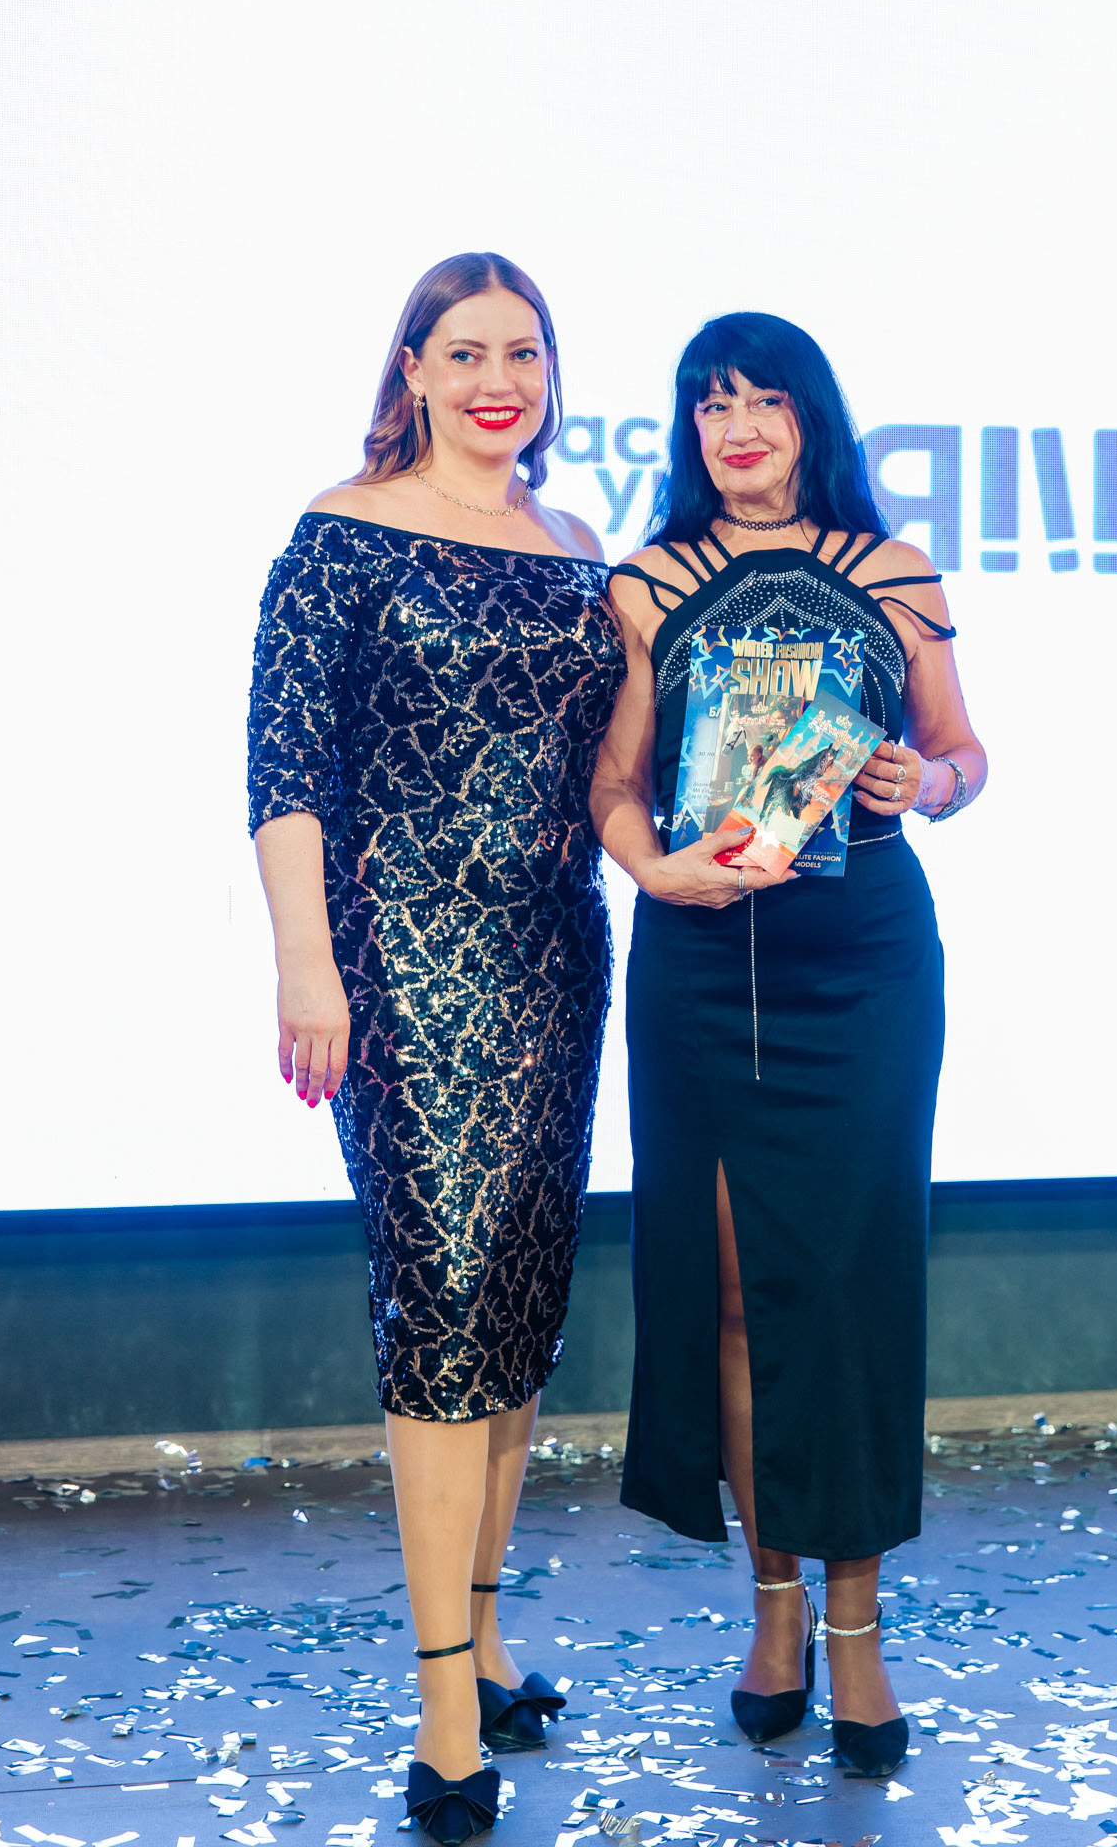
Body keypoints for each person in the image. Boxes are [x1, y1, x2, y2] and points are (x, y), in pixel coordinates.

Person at [247, 253, 624, 1844]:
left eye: (522, 354)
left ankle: (486, 1633)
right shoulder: (339, 533)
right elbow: (283, 768)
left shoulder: (581, 545)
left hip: (557, 962)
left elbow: (615, 765)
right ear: (411, 367)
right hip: (401, 969)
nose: (496, 382)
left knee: (519, 1312)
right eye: (464, 352)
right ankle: (443, 1707)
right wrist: (308, 967)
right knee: (444, 1313)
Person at [591, 311, 987, 1777]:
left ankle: (859, 1628)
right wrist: (649, 865)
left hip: (863, 964)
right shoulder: (646, 583)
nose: (738, 426)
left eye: (764, 399)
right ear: (689, 429)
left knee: (854, 1294)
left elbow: (967, 755)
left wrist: (920, 780)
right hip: (703, 965)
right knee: (740, 1301)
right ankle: (774, 1613)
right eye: (711, 404)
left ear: (812, 416)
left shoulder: (894, 572)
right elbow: (614, 781)